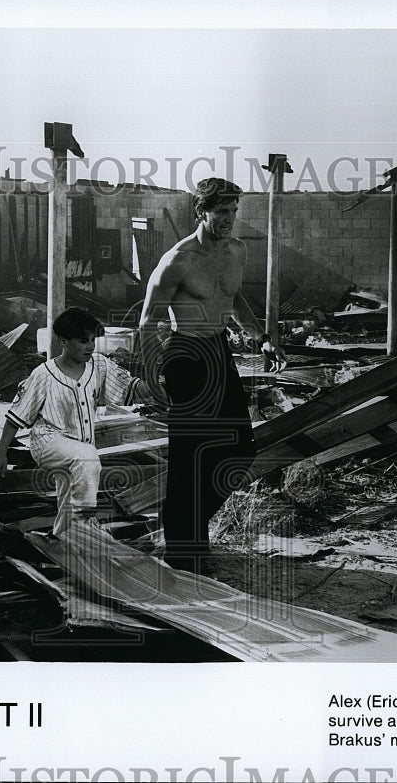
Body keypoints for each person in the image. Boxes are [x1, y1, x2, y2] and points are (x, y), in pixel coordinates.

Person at [138, 177, 282, 572]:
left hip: (218, 351)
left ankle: (191, 530)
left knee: (239, 450)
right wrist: (152, 373)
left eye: (234, 211)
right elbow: (148, 320)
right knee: (190, 460)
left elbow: (235, 299)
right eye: (221, 211)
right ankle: (184, 552)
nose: (229, 219)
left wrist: (263, 338)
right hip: (185, 355)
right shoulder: (177, 260)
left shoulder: (237, 251)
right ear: (201, 212)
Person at [0, 307, 143, 536]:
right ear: (63, 340)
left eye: (92, 340)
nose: (90, 346)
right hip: (48, 442)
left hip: (78, 446)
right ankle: (85, 528)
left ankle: (62, 539)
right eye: (83, 341)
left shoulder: (98, 365)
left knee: (69, 496)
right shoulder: (44, 374)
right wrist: (0, 453)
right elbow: (16, 416)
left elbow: (130, 387)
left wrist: (163, 384)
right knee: (88, 458)